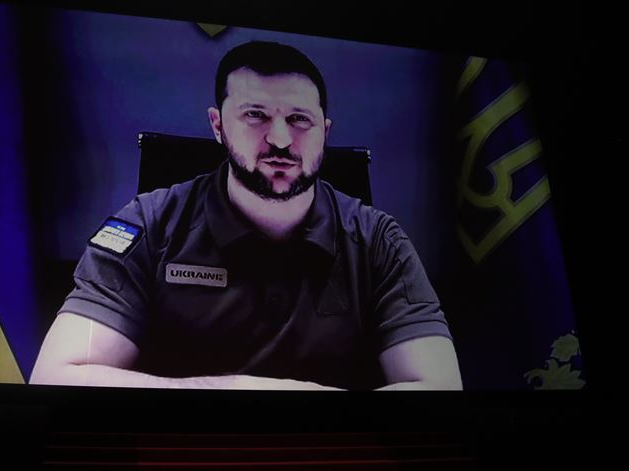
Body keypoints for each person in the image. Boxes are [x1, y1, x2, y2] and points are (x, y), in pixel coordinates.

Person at [30, 41, 462, 390]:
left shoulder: (377, 240)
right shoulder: (147, 224)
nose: (279, 139)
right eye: (255, 115)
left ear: (325, 132)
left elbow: (440, 387)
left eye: (299, 119)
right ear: (218, 126)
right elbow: (56, 377)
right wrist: (239, 388)